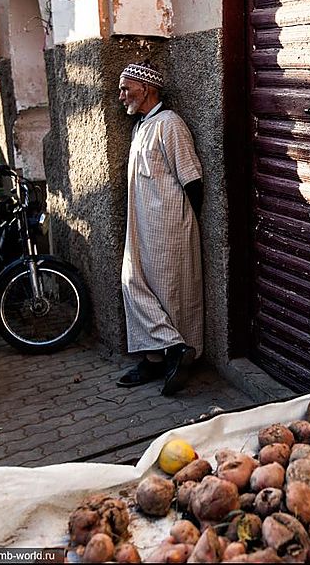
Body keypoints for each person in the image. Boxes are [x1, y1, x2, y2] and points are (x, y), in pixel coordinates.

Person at [115, 61, 204, 395]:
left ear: (146, 89)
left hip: (169, 225)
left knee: (169, 291)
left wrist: (188, 222)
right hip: (142, 224)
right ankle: (164, 353)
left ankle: (166, 357)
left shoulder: (170, 123)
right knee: (134, 282)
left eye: (126, 89)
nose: (121, 96)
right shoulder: (142, 125)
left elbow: (192, 179)